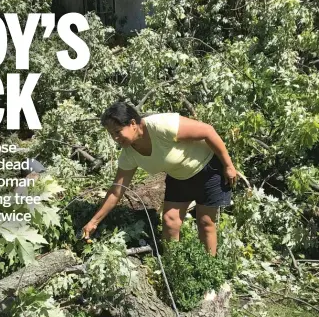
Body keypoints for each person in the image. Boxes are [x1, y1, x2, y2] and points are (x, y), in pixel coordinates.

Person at [82, 102, 237, 256]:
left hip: (208, 170)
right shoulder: (129, 154)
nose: (115, 138)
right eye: (111, 135)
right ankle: (172, 267)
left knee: (205, 222)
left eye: (118, 131)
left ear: (133, 123)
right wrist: (94, 221)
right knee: (170, 221)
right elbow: (116, 191)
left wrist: (228, 165)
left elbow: (208, 131)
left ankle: (209, 269)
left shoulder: (162, 125)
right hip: (178, 177)